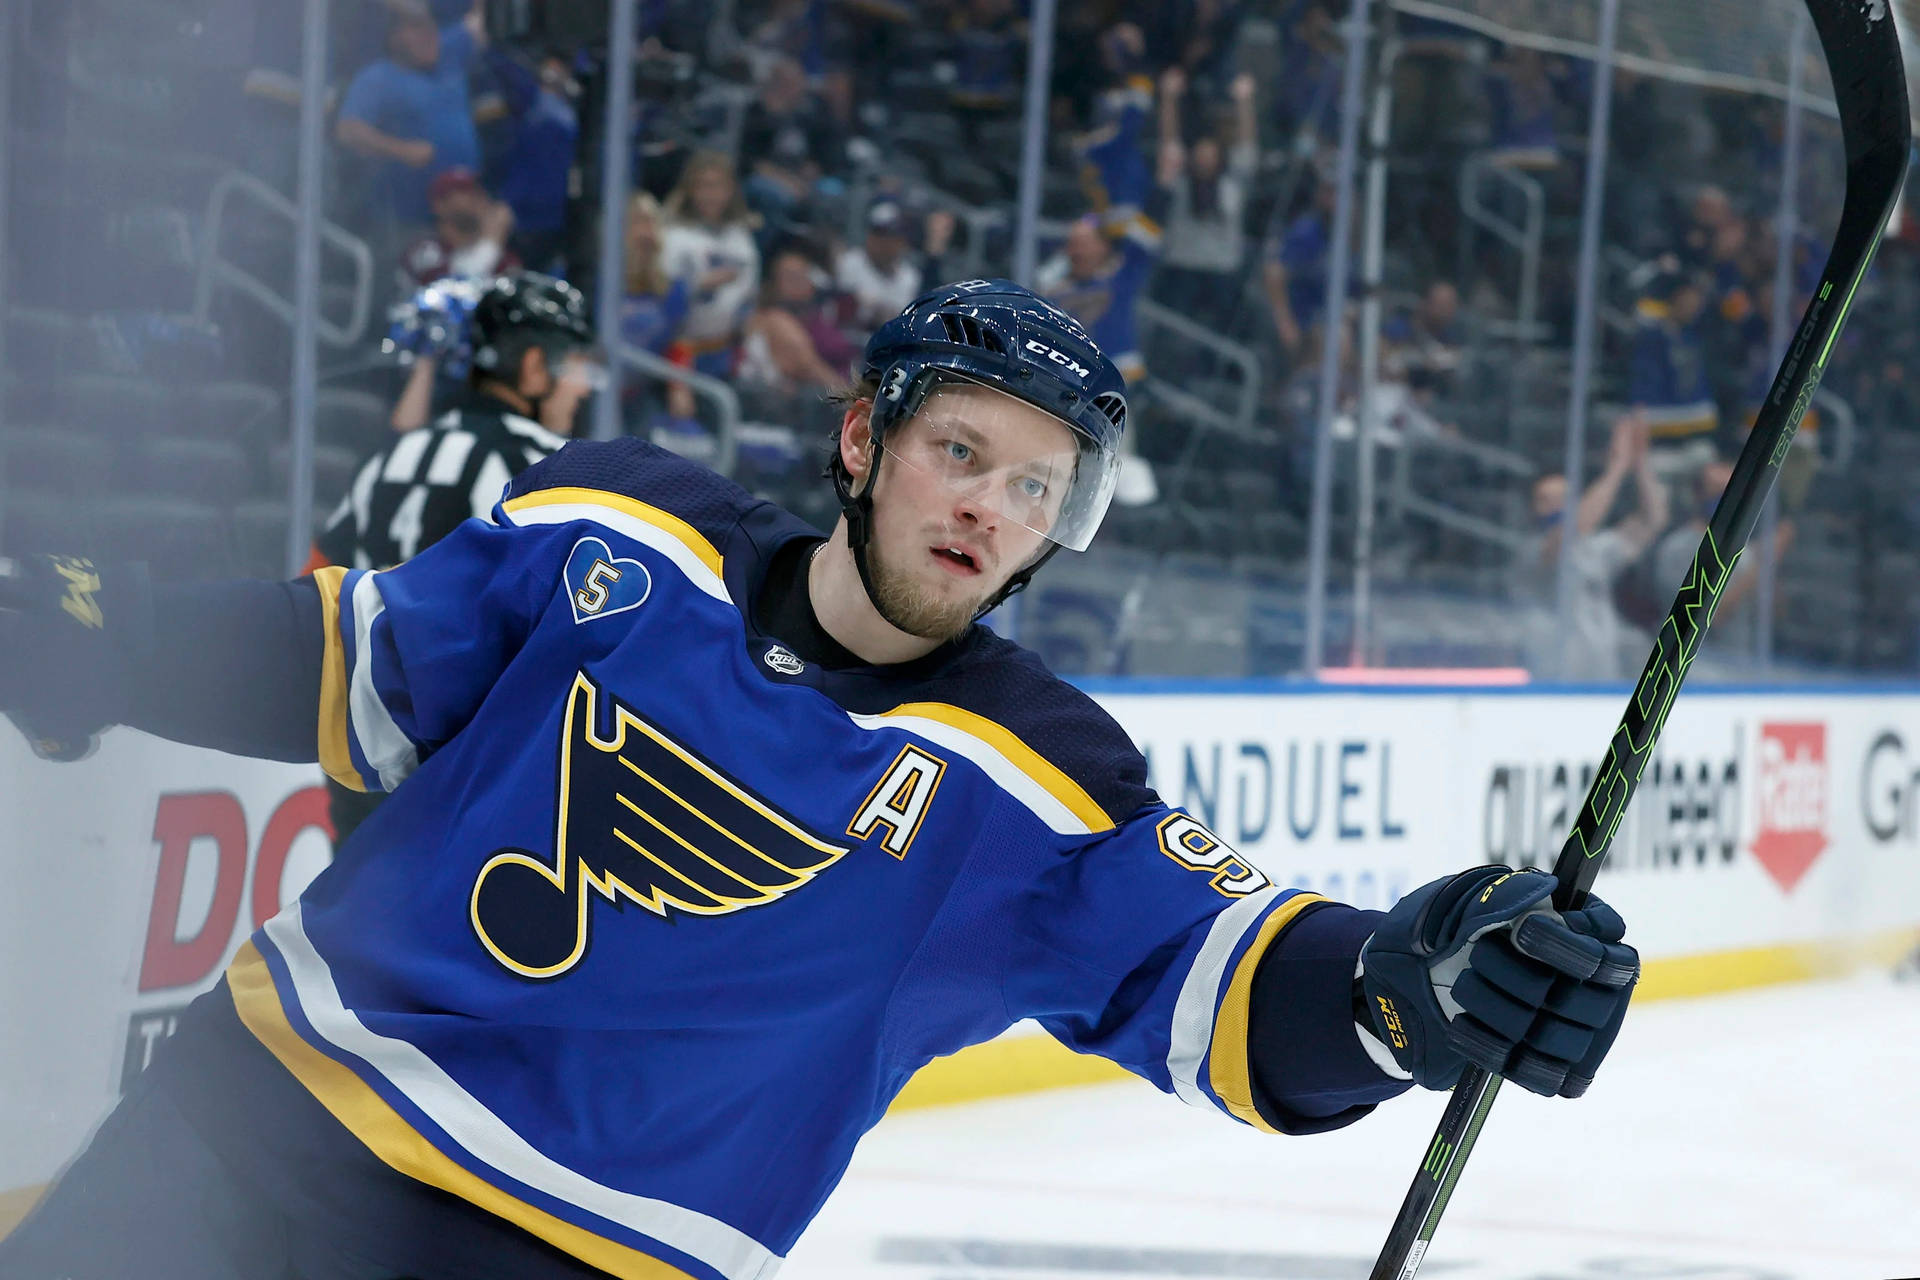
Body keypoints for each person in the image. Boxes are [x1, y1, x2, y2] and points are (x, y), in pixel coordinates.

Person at [0, 280, 1638, 1280]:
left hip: (572, 1259)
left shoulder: (1033, 782)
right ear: (865, 441)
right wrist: (109, 639)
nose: (990, 507)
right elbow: (349, 654)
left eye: (1037, 488)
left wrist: (1408, 993)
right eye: (962, 452)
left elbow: (1225, 967)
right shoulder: (619, 529)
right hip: (242, 1130)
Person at [308, 272, 596, 843]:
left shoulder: (393, 456)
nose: (583, 387)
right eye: (574, 366)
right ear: (536, 366)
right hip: (463, 784)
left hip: (356, 756)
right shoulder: (551, 470)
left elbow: (319, 578)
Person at [1523, 412, 1672, 681]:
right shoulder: (1530, 550)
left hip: (1602, 681)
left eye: (1564, 499)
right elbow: (1573, 529)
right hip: (1553, 685)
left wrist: (1640, 464)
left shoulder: (1597, 549)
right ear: (1534, 508)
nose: (1558, 507)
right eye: (1547, 500)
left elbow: (1653, 520)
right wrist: (1617, 467)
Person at [334, 1, 486, 232]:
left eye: (431, 26)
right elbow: (347, 130)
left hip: (465, 214)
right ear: (394, 37)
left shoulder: (448, 54)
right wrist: (401, 149)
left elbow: (476, 20)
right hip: (411, 220)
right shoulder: (378, 77)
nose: (430, 34)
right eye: (417, 28)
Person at [1152, 68, 1259, 334]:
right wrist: (1168, 98)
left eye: (1210, 156)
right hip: (1181, 269)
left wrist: (1244, 102)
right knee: (1171, 331)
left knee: (1231, 331)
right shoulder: (1180, 186)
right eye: (1200, 156)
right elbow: (1169, 145)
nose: (1205, 161)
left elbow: (1246, 151)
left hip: (1222, 272)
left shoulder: (1231, 185)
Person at [660, 150, 762, 381]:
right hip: (680, 351)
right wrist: (698, 284)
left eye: (718, 186)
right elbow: (659, 295)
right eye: (704, 186)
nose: (711, 195)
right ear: (690, 190)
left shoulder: (741, 237)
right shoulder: (673, 235)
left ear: (730, 191)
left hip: (723, 351)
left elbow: (749, 296)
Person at [834, 199, 956, 336]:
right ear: (870, 236)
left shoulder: (909, 276)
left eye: (895, 238)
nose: (888, 245)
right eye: (881, 236)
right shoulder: (851, 262)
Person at [398, 168, 521, 291]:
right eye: (464, 192)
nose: (476, 197)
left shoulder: (502, 258)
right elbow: (451, 293)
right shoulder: (424, 251)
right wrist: (492, 238)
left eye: (476, 190)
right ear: (439, 205)